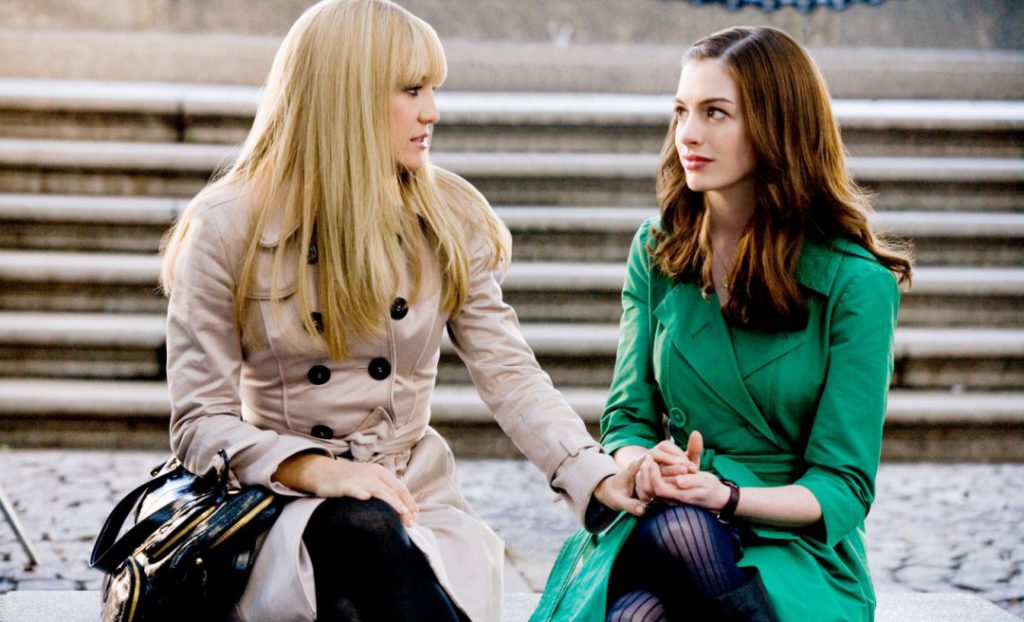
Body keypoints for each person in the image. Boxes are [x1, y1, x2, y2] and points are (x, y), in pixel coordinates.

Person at [158, 1, 644, 620]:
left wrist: (592, 474)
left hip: (414, 498)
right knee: (359, 531)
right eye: (412, 90)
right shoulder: (227, 225)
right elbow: (200, 422)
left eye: (432, 90)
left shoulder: (447, 216)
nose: (432, 111)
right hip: (277, 504)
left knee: (369, 553)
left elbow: (510, 374)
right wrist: (312, 470)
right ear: (349, 96)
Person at [531, 26, 912, 622]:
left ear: (776, 127)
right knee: (664, 556)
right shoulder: (657, 251)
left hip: (791, 544)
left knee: (642, 602)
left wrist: (727, 496)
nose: (688, 134)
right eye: (681, 111)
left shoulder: (857, 283)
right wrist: (643, 465)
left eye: (715, 113)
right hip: (664, 518)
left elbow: (842, 486)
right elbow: (627, 419)